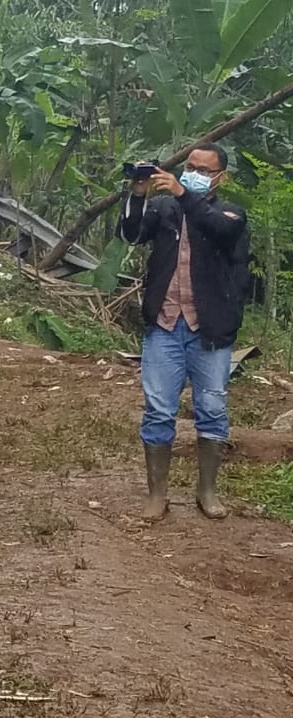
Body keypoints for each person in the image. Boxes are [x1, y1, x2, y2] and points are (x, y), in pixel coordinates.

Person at [119, 147, 250, 523]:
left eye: (204, 170)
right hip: (164, 323)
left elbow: (218, 228)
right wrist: (139, 195)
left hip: (210, 329)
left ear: (220, 177)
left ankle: (207, 492)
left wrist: (182, 192)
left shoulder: (231, 214)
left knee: (212, 409)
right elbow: (130, 234)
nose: (194, 173)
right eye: (190, 167)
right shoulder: (164, 209)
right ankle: (157, 496)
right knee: (158, 410)